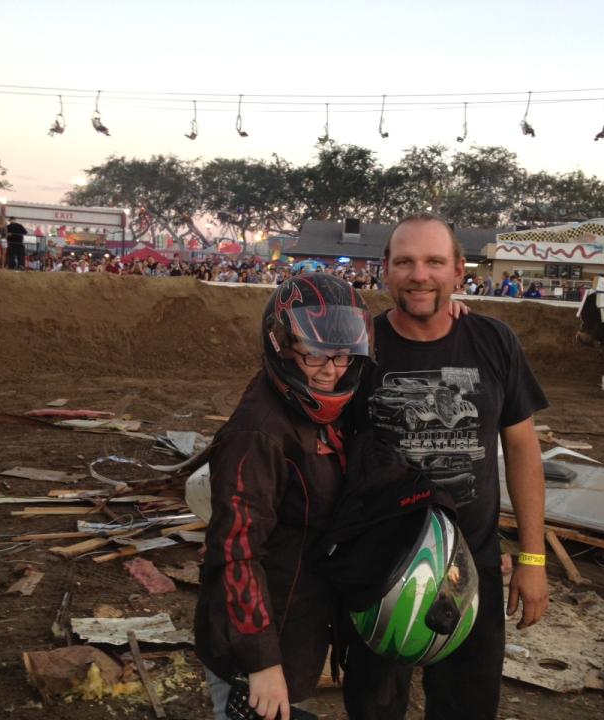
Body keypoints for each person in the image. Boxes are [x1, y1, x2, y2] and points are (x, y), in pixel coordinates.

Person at [342, 213, 549, 720]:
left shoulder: (493, 341)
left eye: (435, 261)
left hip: (470, 567)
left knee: (467, 708)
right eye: (406, 262)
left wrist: (533, 559)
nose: (420, 275)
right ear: (384, 270)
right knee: (374, 708)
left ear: (460, 270)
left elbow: (522, 448)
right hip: (379, 566)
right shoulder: (354, 348)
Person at [194, 273, 374, 720]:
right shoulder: (259, 432)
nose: (332, 370)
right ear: (282, 347)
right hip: (258, 636)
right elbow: (235, 551)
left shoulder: (317, 411)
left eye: (343, 355)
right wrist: (262, 661)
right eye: (314, 355)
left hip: (298, 624)